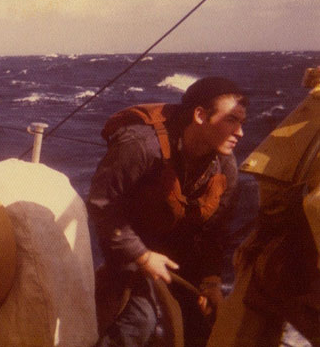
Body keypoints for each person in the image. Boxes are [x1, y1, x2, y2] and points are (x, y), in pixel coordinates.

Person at [87, 76, 248, 347]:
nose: (240, 132)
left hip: (179, 249)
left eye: (242, 122)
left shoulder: (225, 167)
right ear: (200, 115)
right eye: (231, 120)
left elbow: (213, 232)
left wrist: (211, 280)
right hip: (130, 243)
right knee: (140, 319)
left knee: (207, 317)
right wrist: (142, 255)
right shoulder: (141, 146)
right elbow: (102, 204)